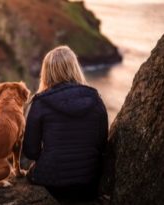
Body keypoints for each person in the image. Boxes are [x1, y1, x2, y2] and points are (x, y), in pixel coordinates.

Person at [23, 45, 108, 202]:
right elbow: (102, 145)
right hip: (88, 181)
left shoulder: (40, 102)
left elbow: (31, 151)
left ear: (46, 73)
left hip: (51, 181)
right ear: (75, 68)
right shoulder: (96, 99)